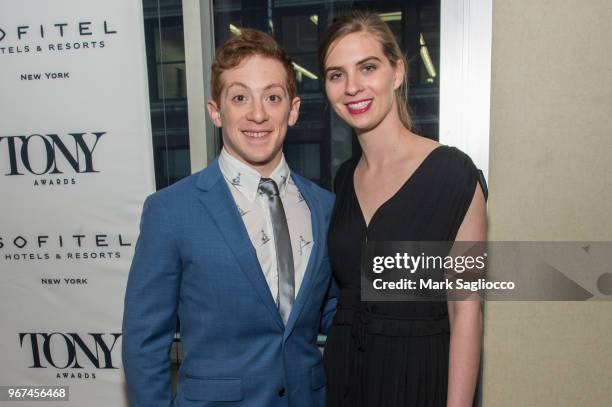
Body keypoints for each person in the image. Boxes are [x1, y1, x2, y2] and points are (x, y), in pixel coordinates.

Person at [122, 28, 336, 407]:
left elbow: (337, 314)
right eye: (240, 97)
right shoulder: (170, 210)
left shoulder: (324, 207)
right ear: (216, 111)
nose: (258, 113)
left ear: (294, 109)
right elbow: (144, 343)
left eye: (273, 96)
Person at [319, 12, 487, 407]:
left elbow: (467, 315)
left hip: (419, 377)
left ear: (397, 72)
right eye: (336, 74)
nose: (353, 87)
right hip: (345, 377)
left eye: (368, 67)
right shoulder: (343, 180)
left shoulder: (453, 174)